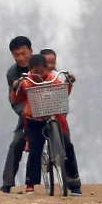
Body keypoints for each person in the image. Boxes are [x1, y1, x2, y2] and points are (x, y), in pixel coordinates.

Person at [11, 54, 82, 195]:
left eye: (42, 72)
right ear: (30, 70)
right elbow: (17, 97)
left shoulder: (53, 80)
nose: (39, 76)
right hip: (34, 121)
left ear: (47, 70)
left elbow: (62, 94)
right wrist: (15, 88)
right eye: (36, 73)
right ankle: (31, 183)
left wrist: (69, 83)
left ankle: (74, 183)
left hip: (53, 117)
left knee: (67, 146)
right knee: (35, 152)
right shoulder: (26, 82)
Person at [1, 36, 33, 193]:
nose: (21, 58)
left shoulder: (42, 63)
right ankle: (7, 183)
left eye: (23, 53)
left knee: (65, 139)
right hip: (27, 112)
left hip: (49, 107)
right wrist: (25, 112)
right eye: (16, 55)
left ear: (31, 51)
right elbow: (14, 100)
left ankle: (71, 180)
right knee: (16, 142)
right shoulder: (12, 73)